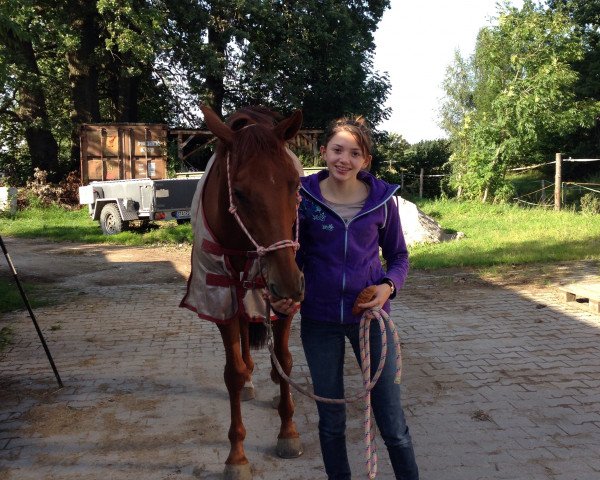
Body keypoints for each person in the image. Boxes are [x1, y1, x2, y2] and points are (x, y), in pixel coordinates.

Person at [272, 116, 419, 479]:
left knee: (391, 419)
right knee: (331, 419)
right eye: (337, 150)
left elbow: (398, 256)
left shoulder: (383, 201)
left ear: (365, 161)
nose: (345, 159)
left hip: (370, 319)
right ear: (323, 152)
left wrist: (388, 286)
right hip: (319, 322)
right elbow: (293, 255)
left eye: (355, 153)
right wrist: (284, 293)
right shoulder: (302, 198)